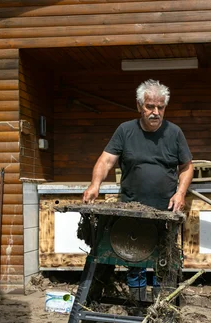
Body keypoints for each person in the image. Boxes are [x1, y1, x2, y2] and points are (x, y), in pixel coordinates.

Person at [83, 79, 194, 297]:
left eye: (160, 107)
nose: (156, 112)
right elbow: (106, 161)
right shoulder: (125, 131)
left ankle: (162, 308)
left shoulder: (174, 133)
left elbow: (187, 167)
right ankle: (137, 303)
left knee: (165, 261)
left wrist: (180, 193)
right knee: (135, 259)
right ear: (138, 106)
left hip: (165, 211)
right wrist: (95, 185)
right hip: (132, 210)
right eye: (150, 106)